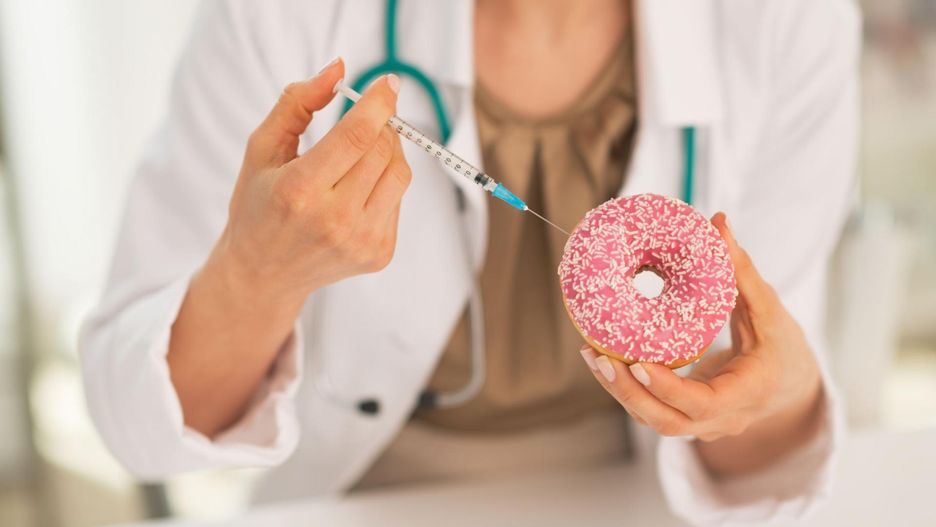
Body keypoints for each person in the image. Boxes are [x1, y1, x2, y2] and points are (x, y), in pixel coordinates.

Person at [80, 0, 859, 524]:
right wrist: (259, 272)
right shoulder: (284, 17)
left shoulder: (788, 22)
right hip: (368, 499)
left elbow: (765, 449)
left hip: (633, 497)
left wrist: (781, 394)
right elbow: (135, 423)